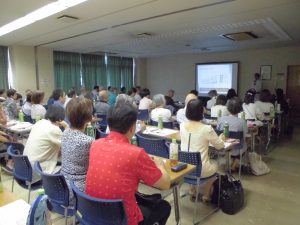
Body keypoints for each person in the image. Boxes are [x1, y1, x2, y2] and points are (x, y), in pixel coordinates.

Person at [86, 104, 171, 225]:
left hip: (94, 212)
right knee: (164, 206)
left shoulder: (95, 144)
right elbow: (165, 184)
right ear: (132, 128)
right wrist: (160, 165)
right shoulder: (136, 153)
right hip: (122, 219)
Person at [180, 99, 224, 202]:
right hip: (201, 170)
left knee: (191, 158)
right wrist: (222, 137)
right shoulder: (207, 129)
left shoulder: (182, 126)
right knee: (216, 165)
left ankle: (193, 190)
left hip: (184, 167)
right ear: (202, 112)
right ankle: (206, 195)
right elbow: (219, 146)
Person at [24, 105, 68, 181]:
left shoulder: (39, 123)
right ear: (60, 119)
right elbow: (70, 144)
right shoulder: (54, 129)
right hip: (39, 171)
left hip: (27, 168)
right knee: (72, 169)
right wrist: (67, 126)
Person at [61, 97, 94, 196]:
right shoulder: (89, 141)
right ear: (89, 118)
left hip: (62, 185)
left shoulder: (65, 132)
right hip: (79, 190)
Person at [217, 97, 248, 172]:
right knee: (245, 144)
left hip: (223, 147)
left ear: (227, 108)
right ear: (240, 109)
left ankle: (232, 163)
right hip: (238, 148)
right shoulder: (242, 122)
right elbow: (244, 136)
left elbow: (218, 132)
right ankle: (234, 164)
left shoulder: (221, 119)